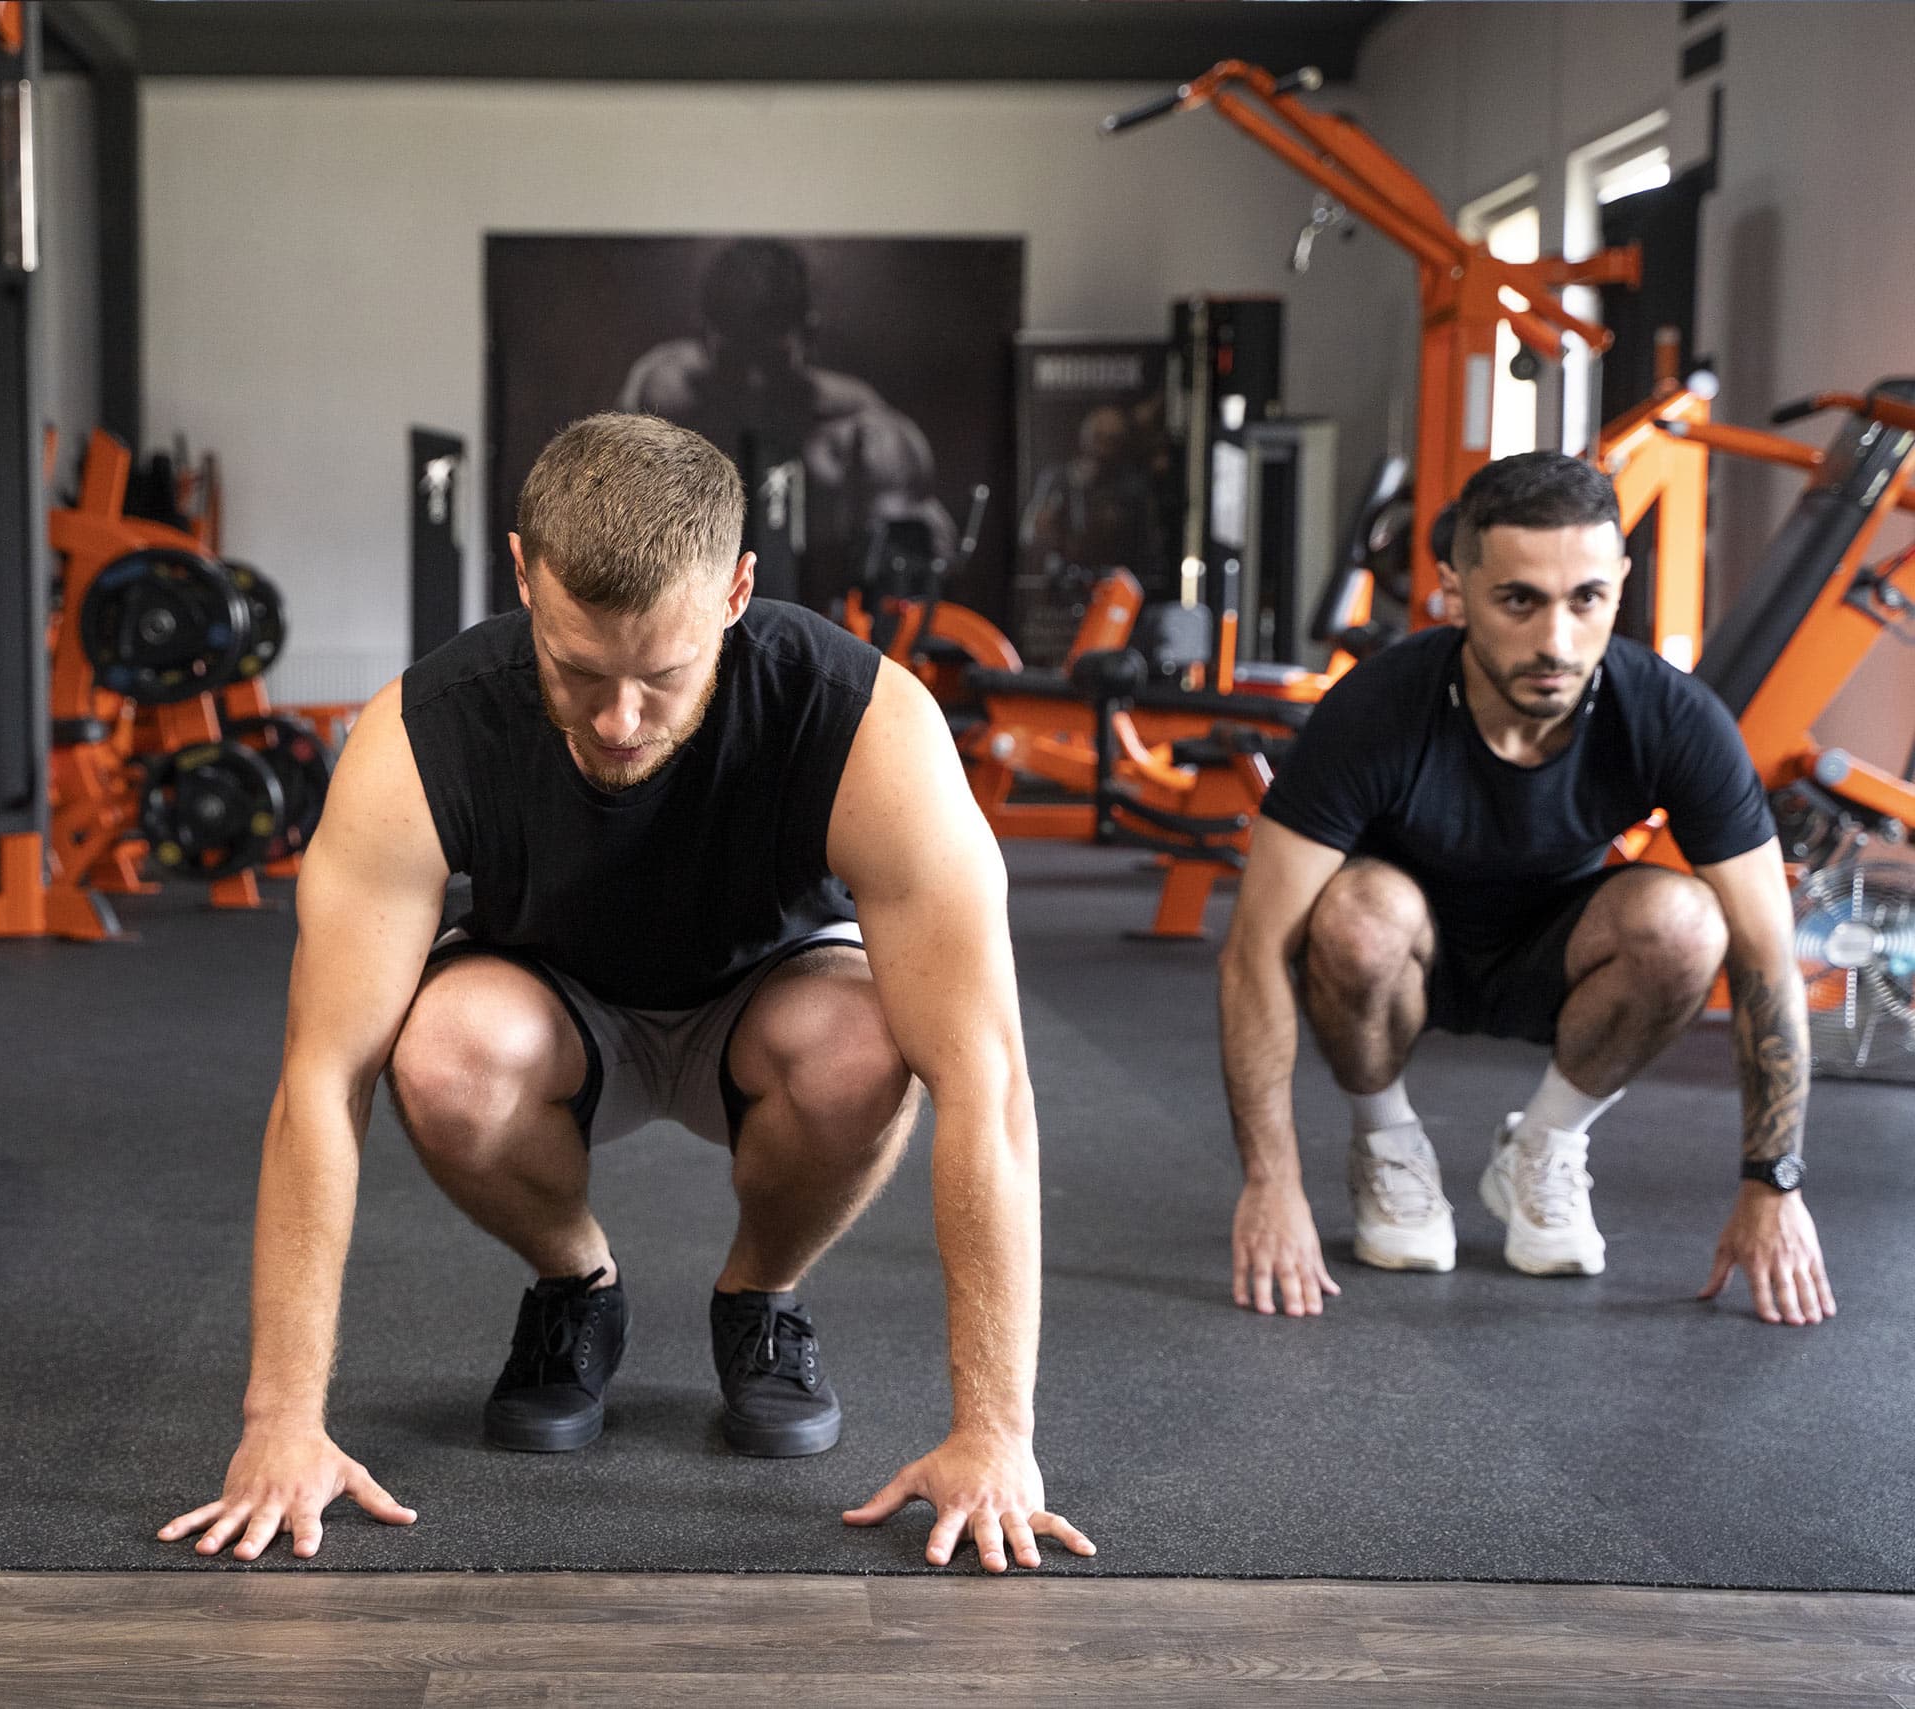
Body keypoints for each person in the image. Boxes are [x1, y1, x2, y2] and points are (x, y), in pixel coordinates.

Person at [160, 414, 1093, 1572]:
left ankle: (760, 1292)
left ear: (739, 589)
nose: (617, 720)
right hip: (548, 1011)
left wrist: (996, 1432)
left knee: (864, 1043)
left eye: (663, 676)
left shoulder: (860, 721)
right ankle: (575, 1285)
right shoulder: (420, 738)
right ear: (520, 575)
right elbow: (319, 1077)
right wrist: (281, 1421)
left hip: (770, 1005)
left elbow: (987, 1081)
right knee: (441, 1050)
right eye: (577, 669)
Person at [1218, 451, 1833, 1327]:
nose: (1556, 641)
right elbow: (1253, 952)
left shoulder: (1673, 717)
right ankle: (1385, 1139)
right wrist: (1271, 1183)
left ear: (1620, 584)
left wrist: (1774, 1181)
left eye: (1586, 599)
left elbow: (1769, 955)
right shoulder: (1377, 710)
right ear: (1454, 588)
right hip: (1402, 956)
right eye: (1520, 601)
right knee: (1357, 913)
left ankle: (1545, 1144)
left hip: (1563, 958)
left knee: (1687, 922)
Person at [618, 238, 955, 611]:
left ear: (807, 337)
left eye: (772, 360)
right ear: (705, 336)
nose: (754, 381)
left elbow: (922, 565)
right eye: (734, 360)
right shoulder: (661, 395)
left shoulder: (860, 429)